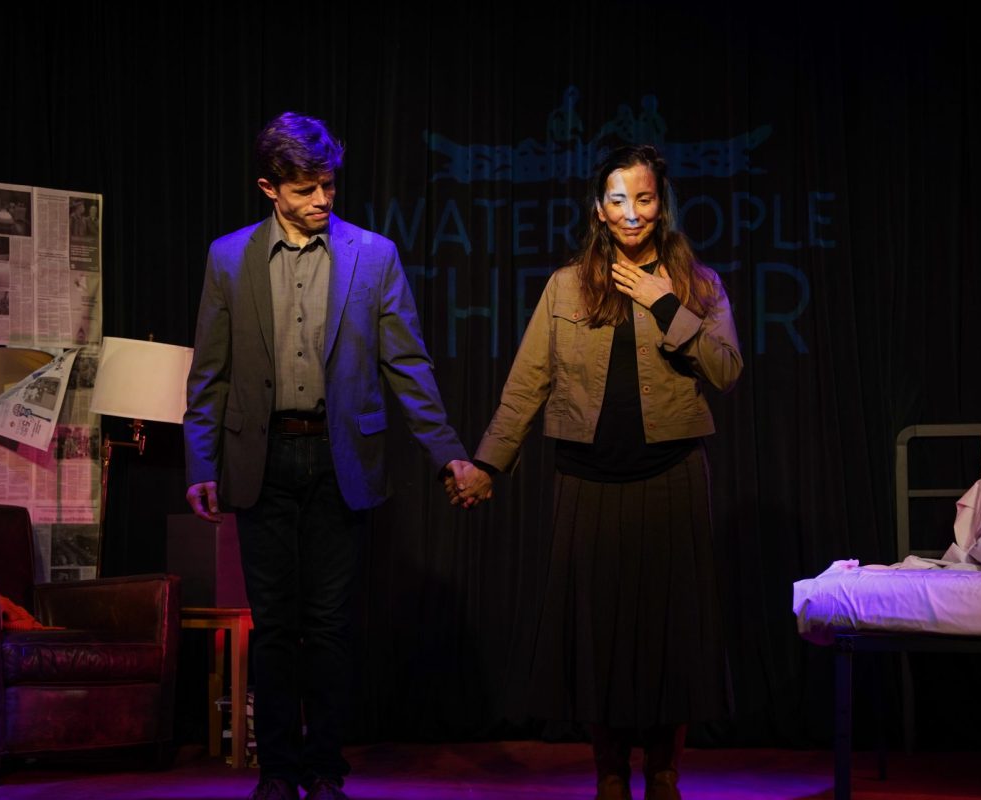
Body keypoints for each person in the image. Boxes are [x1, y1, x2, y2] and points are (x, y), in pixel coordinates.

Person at [184, 111, 487, 800]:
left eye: (329, 185)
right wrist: (200, 464)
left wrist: (449, 454)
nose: (324, 199)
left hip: (338, 461)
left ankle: (324, 768)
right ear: (269, 188)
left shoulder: (372, 255)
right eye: (307, 189)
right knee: (274, 627)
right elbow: (210, 372)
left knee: (328, 626)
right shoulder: (228, 258)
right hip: (259, 461)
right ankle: (276, 770)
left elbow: (407, 364)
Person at [451, 144, 742, 800]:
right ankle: (610, 775)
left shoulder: (697, 284)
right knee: (595, 641)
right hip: (587, 484)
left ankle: (664, 775)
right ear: (599, 210)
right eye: (618, 199)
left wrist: (667, 304)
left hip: (670, 481)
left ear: (660, 205)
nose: (631, 212)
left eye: (643, 198)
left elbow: (726, 370)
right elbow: (527, 385)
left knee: (672, 639)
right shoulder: (565, 287)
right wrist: (488, 462)